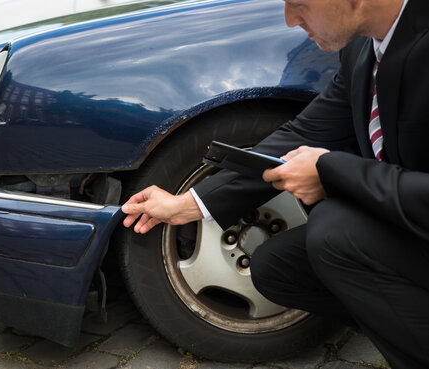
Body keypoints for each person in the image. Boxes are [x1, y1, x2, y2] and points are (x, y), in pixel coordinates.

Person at [121, 0, 429, 368]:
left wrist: (332, 171)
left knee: (334, 231)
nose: (289, 20)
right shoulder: (363, 50)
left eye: (299, 4)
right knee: (277, 268)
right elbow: (303, 133)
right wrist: (188, 205)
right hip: (410, 231)